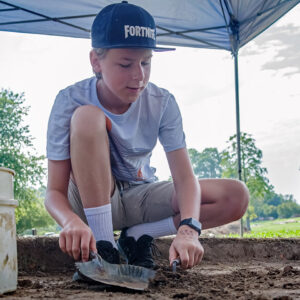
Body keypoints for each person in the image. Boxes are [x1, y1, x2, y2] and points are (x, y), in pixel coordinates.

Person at [45, 1, 249, 272]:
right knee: (87, 117)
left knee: (235, 196)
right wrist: (70, 222)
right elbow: (53, 192)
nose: (139, 76)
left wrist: (189, 229)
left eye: (146, 62)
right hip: (88, 201)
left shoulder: (162, 102)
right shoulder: (69, 100)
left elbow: (185, 177)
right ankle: (104, 254)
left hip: (140, 194)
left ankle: (136, 236)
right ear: (96, 61)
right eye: (126, 64)